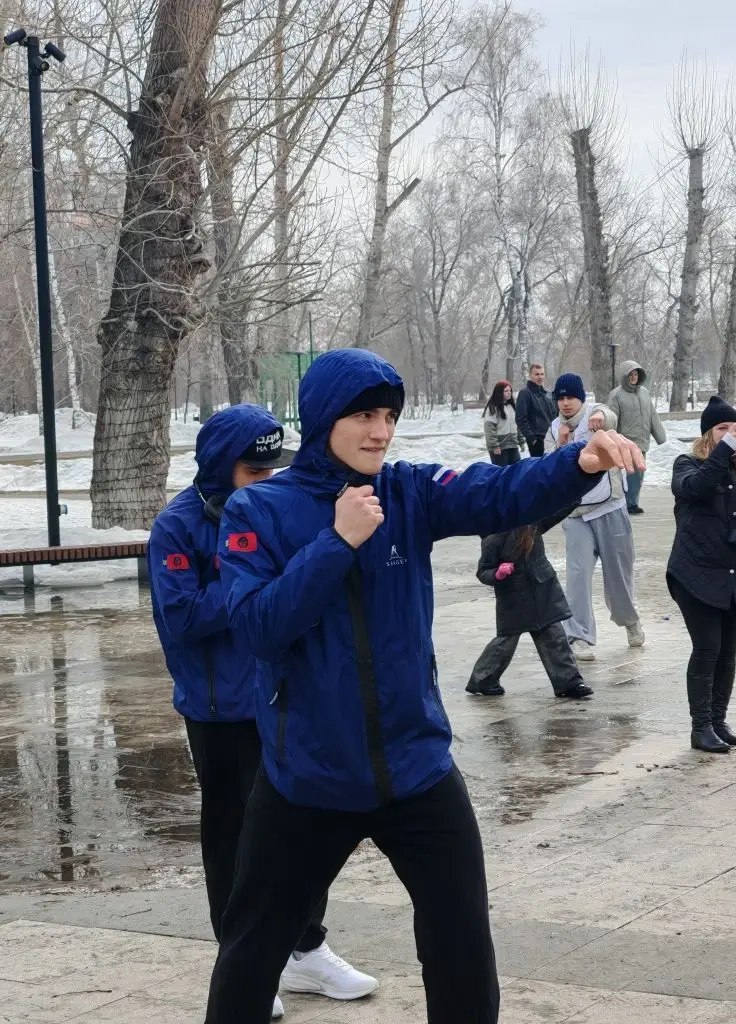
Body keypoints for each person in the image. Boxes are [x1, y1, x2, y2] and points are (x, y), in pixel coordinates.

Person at [204, 348, 644, 1024]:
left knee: (462, 946)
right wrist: (336, 541)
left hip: (417, 771)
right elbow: (260, 629)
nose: (380, 431)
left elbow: (499, 492)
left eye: (388, 416)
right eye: (364, 416)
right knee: (249, 952)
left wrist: (577, 463)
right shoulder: (259, 510)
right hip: (307, 780)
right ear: (324, 418)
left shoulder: (408, 490)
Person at [147, 404, 377, 1022]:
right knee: (233, 837)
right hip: (220, 710)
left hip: (286, 697)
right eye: (254, 470)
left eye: (273, 467)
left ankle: (305, 945)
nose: (268, 481)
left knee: (308, 823)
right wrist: (259, 585)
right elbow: (184, 616)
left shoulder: (280, 510)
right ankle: (244, 958)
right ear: (222, 468)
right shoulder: (178, 526)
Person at [667, 396, 736, 753]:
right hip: (694, 574)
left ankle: (719, 721)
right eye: (721, 428)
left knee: (728, 652)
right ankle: (701, 727)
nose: (729, 434)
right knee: (708, 648)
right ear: (707, 434)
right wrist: (722, 452)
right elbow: (695, 488)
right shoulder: (687, 465)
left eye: (733, 428)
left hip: (735, 575)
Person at [547, 372, 645, 662]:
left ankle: (630, 621)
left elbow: (609, 415)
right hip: (575, 512)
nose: (565, 403)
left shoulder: (595, 413)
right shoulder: (554, 427)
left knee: (618, 576)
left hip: (609, 506)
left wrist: (599, 418)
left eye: (571, 397)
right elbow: (548, 467)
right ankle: (578, 635)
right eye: (561, 398)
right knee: (577, 575)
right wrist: (560, 445)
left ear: (581, 398)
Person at [465, 511, 594, 699]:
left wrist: (575, 491)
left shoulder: (534, 521)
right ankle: (483, 679)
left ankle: (569, 682)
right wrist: (497, 574)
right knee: (505, 642)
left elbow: (557, 510)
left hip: (543, 590)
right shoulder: (493, 537)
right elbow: (483, 570)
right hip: (514, 596)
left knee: (555, 637)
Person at [607, 360, 666, 514]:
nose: (633, 377)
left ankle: (631, 502)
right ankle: (629, 504)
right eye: (631, 375)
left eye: (636, 374)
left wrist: (660, 436)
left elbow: (652, 415)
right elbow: (611, 419)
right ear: (625, 376)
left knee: (638, 475)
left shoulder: (644, 393)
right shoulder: (616, 395)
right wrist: (611, 439)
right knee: (629, 475)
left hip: (642, 441)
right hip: (625, 442)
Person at [515, 363, 557, 457]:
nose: (540, 377)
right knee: (540, 470)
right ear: (530, 375)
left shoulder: (547, 394)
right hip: (538, 441)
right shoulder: (525, 393)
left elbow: (554, 415)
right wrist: (532, 439)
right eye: (537, 374)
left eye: (542, 374)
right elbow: (520, 418)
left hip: (552, 438)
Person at [482, 380, 525, 465]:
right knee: (502, 473)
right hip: (499, 447)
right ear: (499, 392)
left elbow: (518, 426)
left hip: (513, 445)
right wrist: (495, 446)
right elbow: (489, 428)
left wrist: (521, 441)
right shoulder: (492, 408)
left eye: (510, 391)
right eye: (506, 391)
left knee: (516, 470)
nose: (509, 393)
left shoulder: (513, 407)